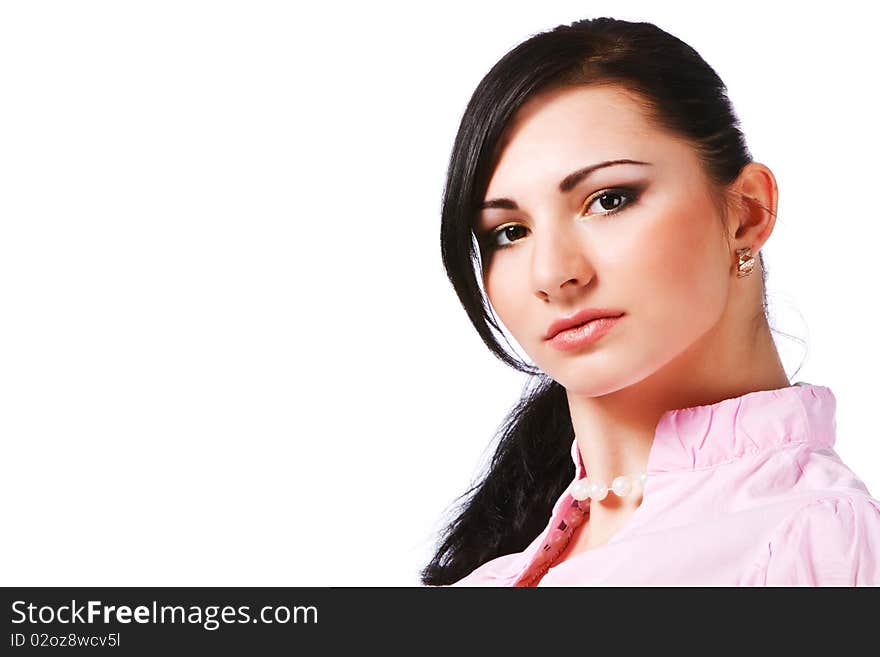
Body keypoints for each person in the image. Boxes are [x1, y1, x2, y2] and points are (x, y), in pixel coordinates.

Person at [422, 16, 880, 586]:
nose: (553, 273)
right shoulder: (492, 573)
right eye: (509, 232)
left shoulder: (813, 538)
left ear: (747, 213)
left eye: (608, 199)